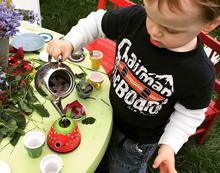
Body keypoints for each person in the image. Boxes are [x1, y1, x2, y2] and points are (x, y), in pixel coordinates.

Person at [47, 0, 220, 172]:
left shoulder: (198, 73)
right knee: (100, 154)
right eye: (151, 16)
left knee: (122, 168)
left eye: (171, 29)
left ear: (210, 24)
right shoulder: (135, 18)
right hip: (109, 112)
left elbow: (190, 113)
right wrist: (69, 41)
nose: (154, 31)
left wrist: (169, 145)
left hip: (137, 141)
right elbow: (97, 23)